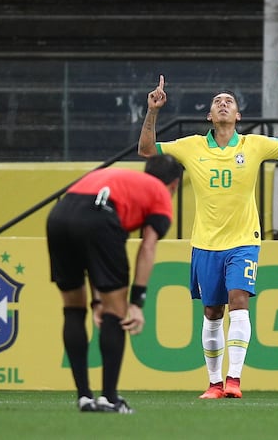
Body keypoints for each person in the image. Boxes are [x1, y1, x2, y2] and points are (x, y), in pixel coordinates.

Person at [138, 75, 278, 399]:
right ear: (209, 116)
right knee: (212, 312)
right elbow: (146, 149)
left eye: (229, 101)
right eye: (217, 101)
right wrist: (153, 111)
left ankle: (234, 380)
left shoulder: (253, 145)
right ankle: (214, 383)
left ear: (238, 116)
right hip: (205, 243)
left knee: (239, 301)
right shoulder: (191, 146)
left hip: (244, 240)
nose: (222, 104)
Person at [46, 155, 183, 413]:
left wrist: (98, 300)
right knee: (116, 313)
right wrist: (136, 302)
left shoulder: (121, 177)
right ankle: (109, 397)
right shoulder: (160, 194)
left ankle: (84, 397)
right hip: (100, 217)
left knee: (73, 308)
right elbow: (148, 246)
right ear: (174, 184)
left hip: (59, 215)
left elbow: (94, 253)